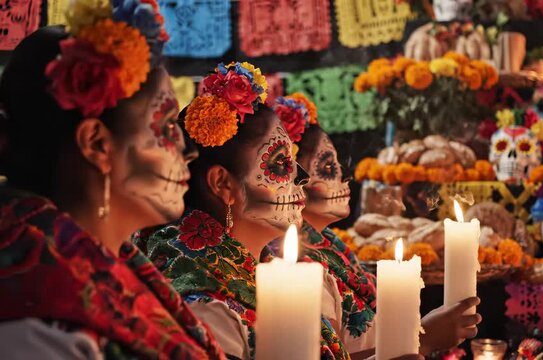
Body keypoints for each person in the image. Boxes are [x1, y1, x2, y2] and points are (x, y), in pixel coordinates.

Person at [135, 63, 424, 360]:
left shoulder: (269, 274)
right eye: (279, 163)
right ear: (223, 184)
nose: (302, 177)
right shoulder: (206, 305)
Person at [0, 3, 224, 358]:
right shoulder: (37, 315)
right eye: (166, 127)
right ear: (97, 144)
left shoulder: (118, 265)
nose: (188, 150)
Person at [273, 93, 482, 358]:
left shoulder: (332, 246)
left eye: (338, 164)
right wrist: (423, 338)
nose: (346, 176)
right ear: (291, 178)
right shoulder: (293, 269)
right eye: (328, 167)